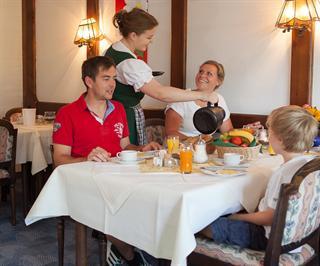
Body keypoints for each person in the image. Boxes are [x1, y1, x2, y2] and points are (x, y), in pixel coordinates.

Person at [53, 56, 161, 265]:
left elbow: (124, 147)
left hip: (118, 179)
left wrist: (142, 149)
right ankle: (130, 256)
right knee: (113, 211)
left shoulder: (119, 109)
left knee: (150, 199)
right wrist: (87, 158)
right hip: (86, 185)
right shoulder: (67, 113)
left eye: (114, 78)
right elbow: (59, 160)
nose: (112, 84)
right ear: (89, 81)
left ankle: (134, 248)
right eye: (105, 78)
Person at [199, 105, 318, 250]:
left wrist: (238, 217)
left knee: (202, 223)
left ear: (280, 139)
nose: (268, 136)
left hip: (267, 237)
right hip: (296, 236)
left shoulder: (284, 173)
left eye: (270, 132)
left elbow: (270, 217)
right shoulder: (309, 164)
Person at [105, 8, 219, 145]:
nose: (150, 42)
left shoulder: (111, 51)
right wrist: (202, 95)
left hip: (111, 114)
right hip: (124, 117)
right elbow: (161, 93)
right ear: (133, 35)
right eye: (148, 37)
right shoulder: (130, 64)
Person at [165, 60, 233, 139]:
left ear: (218, 81)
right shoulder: (181, 98)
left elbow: (228, 131)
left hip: (204, 148)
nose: (202, 75)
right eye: (201, 71)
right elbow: (171, 133)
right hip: (180, 148)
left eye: (209, 73)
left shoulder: (219, 99)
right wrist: (197, 142)